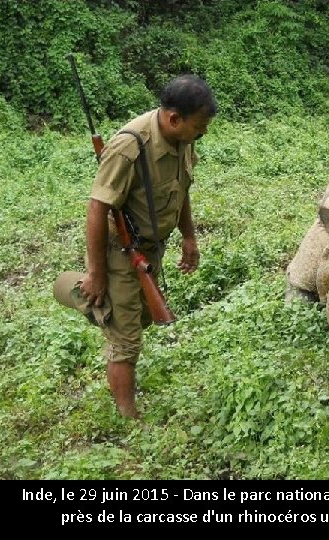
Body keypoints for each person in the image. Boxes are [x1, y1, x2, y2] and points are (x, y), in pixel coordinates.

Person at [54, 74, 217, 418]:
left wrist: (189, 236)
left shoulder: (183, 140)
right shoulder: (130, 147)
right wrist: (98, 273)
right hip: (120, 251)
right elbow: (98, 207)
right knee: (126, 341)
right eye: (199, 128)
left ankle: (101, 305)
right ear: (175, 119)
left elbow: (181, 189)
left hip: (151, 248)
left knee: (139, 318)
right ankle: (128, 418)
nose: (202, 134)